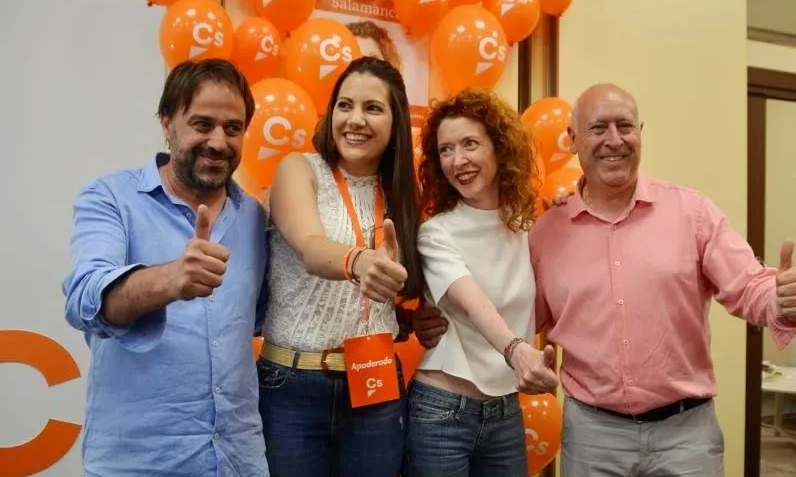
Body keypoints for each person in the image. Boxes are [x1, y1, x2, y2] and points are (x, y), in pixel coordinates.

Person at [415, 82, 796, 476]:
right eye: (598, 128)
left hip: (687, 435)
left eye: (625, 126)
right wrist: (433, 318)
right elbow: (520, 312)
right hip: (593, 437)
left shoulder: (691, 213)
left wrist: (780, 301)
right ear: (572, 140)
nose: (614, 140)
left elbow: (749, 285)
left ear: (640, 133)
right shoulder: (547, 231)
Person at [62, 59, 269, 476]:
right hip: (140, 463)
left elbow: (261, 318)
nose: (218, 142)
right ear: (167, 121)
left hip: (238, 460)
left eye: (232, 129)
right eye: (202, 124)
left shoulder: (255, 217)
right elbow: (85, 300)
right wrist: (170, 279)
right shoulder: (111, 198)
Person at [257, 56, 425, 477]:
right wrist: (358, 261)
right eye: (345, 105)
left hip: (376, 384)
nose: (355, 120)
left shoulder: (403, 192)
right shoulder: (300, 169)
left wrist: (426, 314)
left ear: (396, 123)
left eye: (373, 108)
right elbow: (311, 248)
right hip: (293, 385)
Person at [404, 88, 559, 477]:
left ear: (498, 148)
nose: (458, 161)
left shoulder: (527, 227)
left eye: (470, 144)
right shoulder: (436, 233)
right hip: (442, 411)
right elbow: (475, 304)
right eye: (446, 150)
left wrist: (571, 208)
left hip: (505, 410)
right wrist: (517, 351)